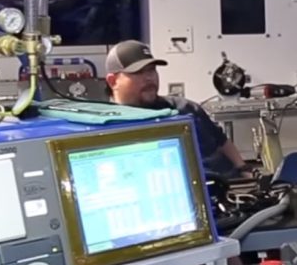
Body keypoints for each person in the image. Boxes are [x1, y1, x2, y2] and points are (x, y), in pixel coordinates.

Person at [104, 40, 246, 177]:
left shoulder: (185, 108)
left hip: (227, 183)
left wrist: (244, 169)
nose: (149, 78)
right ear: (113, 81)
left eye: (152, 70)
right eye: (138, 72)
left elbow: (221, 141)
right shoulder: (107, 126)